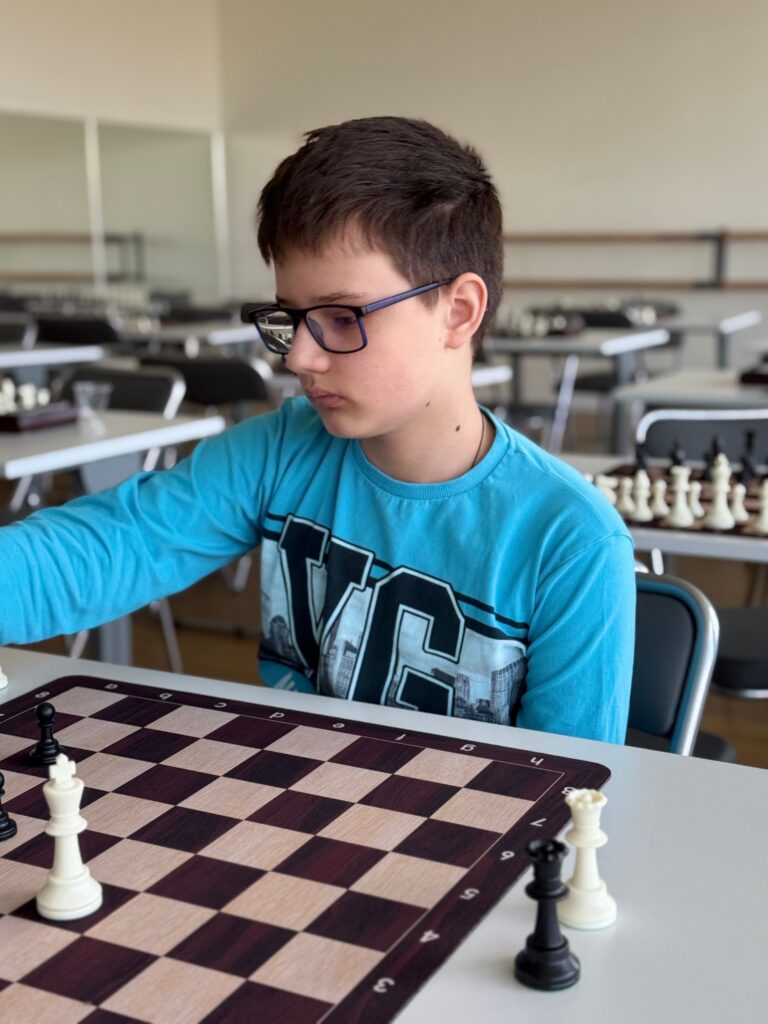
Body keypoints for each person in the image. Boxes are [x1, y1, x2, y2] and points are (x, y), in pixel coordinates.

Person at [0, 116, 635, 743]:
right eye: (292, 317)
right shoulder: (281, 449)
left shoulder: (570, 540)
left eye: (342, 317)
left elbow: (571, 782)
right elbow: (104, 549)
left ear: (458, 311)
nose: (298, 358)